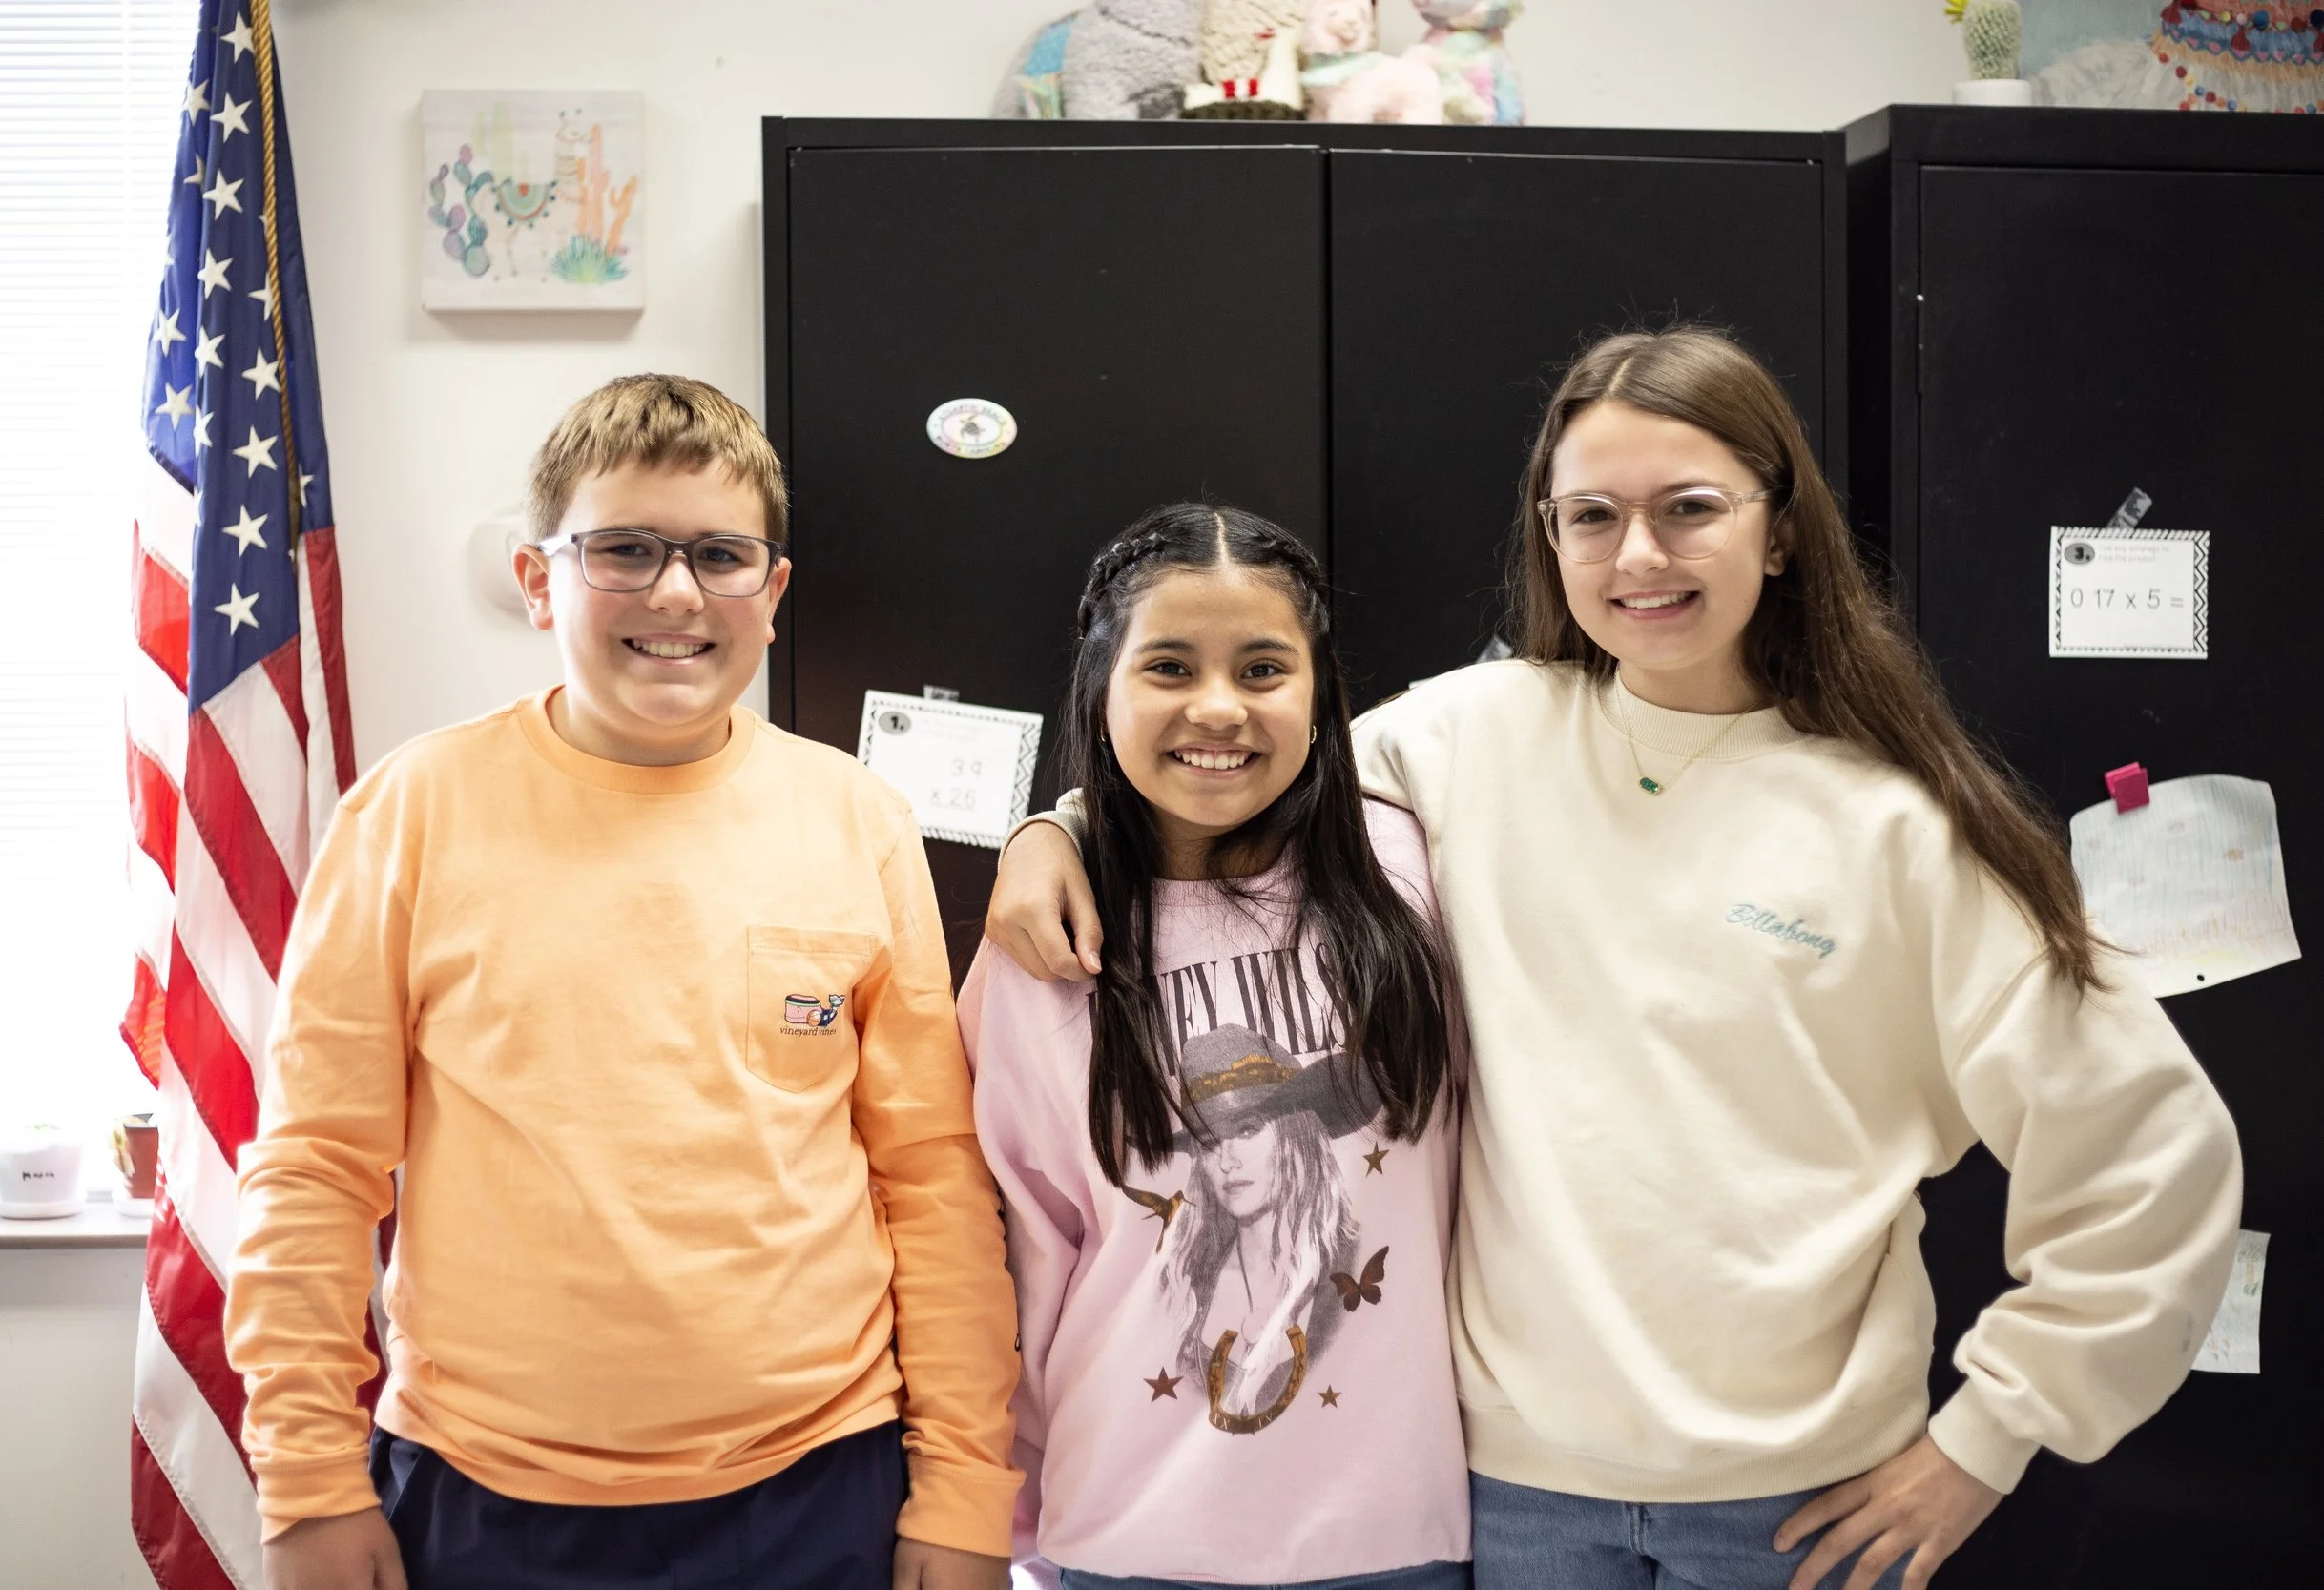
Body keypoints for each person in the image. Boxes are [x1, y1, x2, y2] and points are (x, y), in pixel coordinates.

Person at [985, 331, 2244, 1590]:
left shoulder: (1903, 829)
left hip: (1796, 1511)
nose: (1637, 555)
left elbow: (2154, 1155)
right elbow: (1234, 760)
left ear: (1781, 528)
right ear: (1551, 536)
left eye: (1688, 508)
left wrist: (1988, 1434)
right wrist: (1060, 826)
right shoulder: (1476, 737)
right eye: (1592, 515)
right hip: (1510, 1501)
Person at [225, 374, 1021, 1590]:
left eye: (719, 554)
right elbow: (315, 1167)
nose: (674, 591)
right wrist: (307, 1480)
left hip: (821, 1489)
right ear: (539, 579)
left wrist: (964, 1491)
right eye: (624, 549)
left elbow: (932, 1182)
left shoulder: (856, 816)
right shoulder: (411, 812)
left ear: (772, 593)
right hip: (479, 1497)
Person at [961, 505, 1471, 1588]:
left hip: (1399, 1538)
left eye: (1261, 667)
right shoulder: (1043, 942)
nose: (1217, 707)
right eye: (1169, 666)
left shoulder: (1413, 863)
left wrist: (1051, 821)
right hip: (1127, 1536)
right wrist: (1006, 1521)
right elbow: (1018, 1258)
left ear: (1320, 692)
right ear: (1100, 688)